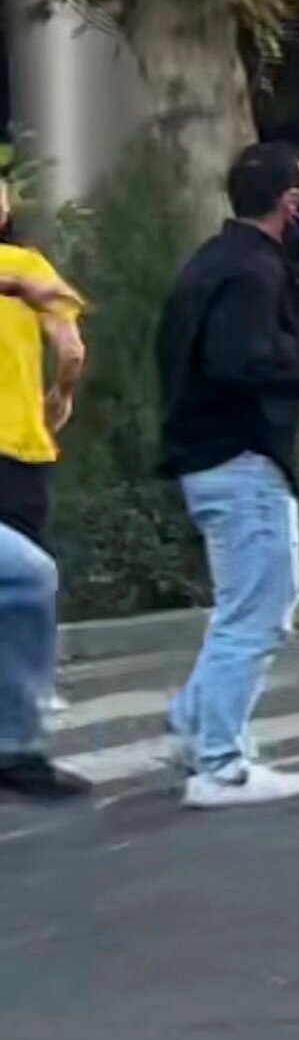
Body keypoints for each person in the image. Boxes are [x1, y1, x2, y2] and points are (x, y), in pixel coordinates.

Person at [155, 142, 299, 810]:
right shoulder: (254, 272)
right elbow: (246, 362)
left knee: (241, 609)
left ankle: (194, 723)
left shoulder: (214, 262)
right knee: (260, 615)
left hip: (210, 457)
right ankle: (221, 766)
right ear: (292, 203)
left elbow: (241, 358)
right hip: (241, 462)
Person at [0, 170, 89, 801]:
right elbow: (71, 349)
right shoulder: (24, 270)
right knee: (24, 582)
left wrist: (59, 396)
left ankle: (16, 744)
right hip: (22, 453)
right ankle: (18, 744)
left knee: (21, 585)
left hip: (23, 453)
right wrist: (61, 394)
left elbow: (72, 348)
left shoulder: (28, 267)